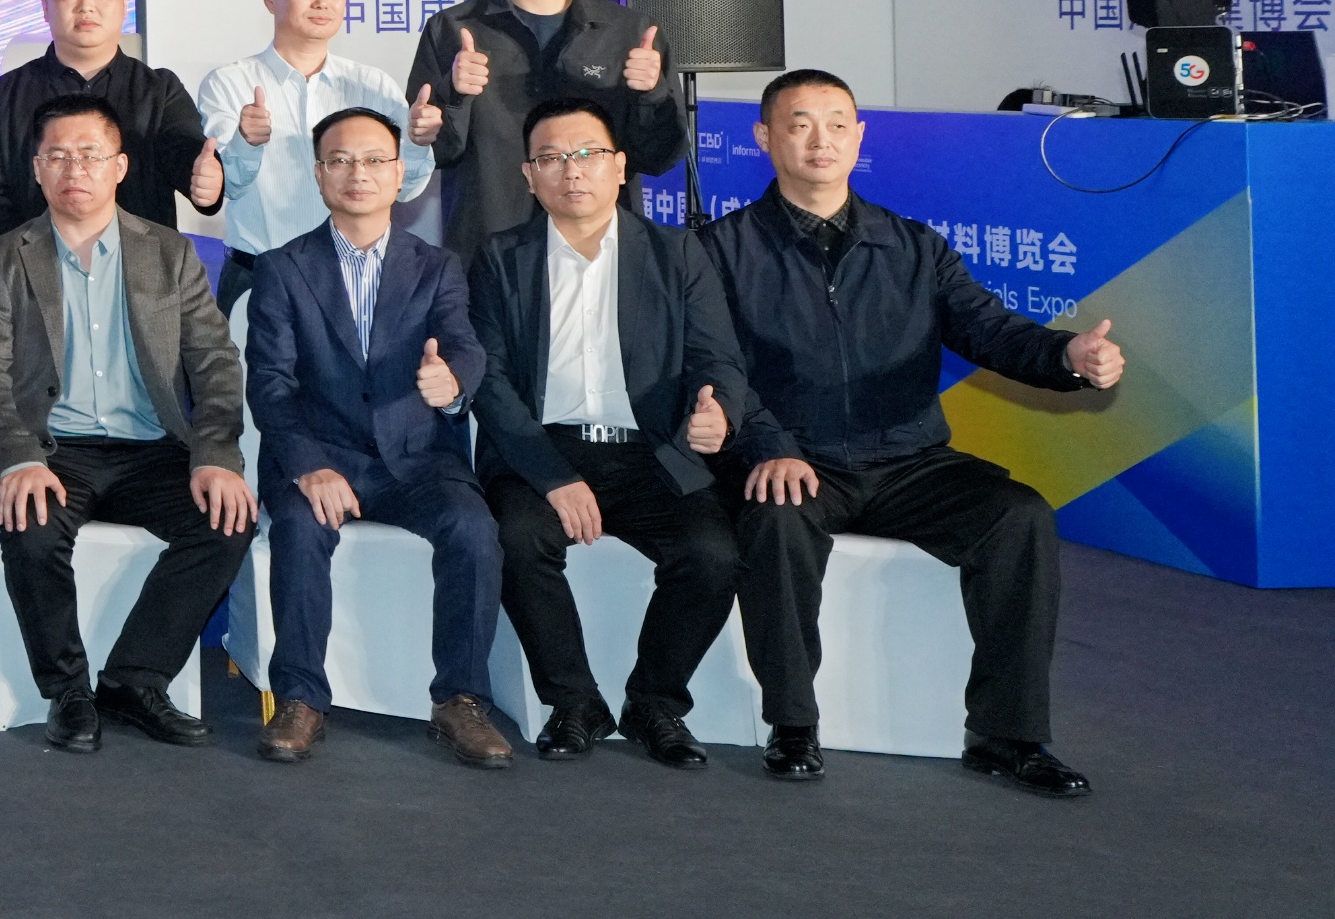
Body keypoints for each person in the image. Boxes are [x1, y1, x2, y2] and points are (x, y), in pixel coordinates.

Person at [706, 69, 1125, 793]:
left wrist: (1068, 357)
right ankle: (793, 724)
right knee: (776, 518)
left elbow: (992, 329)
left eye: (838, 124)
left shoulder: (913, 246)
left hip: (907, 461)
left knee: (1019, 517)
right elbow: (713, 365)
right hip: (795, 459)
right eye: (800, 124)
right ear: (764, 138)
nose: (820, 140)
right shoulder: (720, 249)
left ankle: (1007, 733)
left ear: (859, 138)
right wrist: (768, 446)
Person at [468, 93, 759, 769]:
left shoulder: (676, 253)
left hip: (652, 452)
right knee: (515, 539)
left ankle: (654, 701)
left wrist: (719, 411)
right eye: (551, 158)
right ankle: (575, 701)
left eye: (588, 154)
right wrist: (553, 477)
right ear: (528, 176)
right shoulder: (501, 259)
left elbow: (718, 358)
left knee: (713, 555)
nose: (572, 170)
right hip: (543, 451)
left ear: (620, 166)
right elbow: (490, 382)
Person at [0, 93, 253, 750]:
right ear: (37, 168)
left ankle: (134, 679)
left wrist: (216, 454)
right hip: (54, 449)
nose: (75, 169)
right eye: (58, 156)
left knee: (227, 520)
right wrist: (17, 456)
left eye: (91, 154)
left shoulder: (170, 253)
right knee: (31, 528)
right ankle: (68, 691)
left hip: (150, 448)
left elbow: (216, 363)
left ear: (120, 166)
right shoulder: (4, 258)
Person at [241, 110, 509, 768]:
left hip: (418, 458)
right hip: (321, 457)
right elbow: (271, 385)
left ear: (399, 173)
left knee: (474, 529)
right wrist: (307, 465)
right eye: (340, 160)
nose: (357, 173)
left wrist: (453, 381)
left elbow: (464, 344)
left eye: (373, 160)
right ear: (318, 174)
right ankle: (299, 698)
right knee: (299, 528)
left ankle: (461, 700)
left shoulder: (438, 265)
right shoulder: (281, 268)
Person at [407, 0, 690, 252]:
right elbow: (436, 153)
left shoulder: (629, 33)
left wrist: (652, 94)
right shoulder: (452, 31)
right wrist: (447, 104)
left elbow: (659, 157)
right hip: (491, 253)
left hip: (600, 250)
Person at [192, 0, 435, 317]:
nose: (322, 2)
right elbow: (229, 186)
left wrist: (418, 143)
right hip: (259, 276)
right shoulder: (230, 83)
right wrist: (246, 142)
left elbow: (405, 190)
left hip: (359, 278)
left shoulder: (374, 86)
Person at [0, 0, 222, 248]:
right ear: (45, 6)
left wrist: (206, 181)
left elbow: (186, 154)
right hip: (31, 268)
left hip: (142, 268)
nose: (86, 6)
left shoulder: (159, 90)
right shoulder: (5, 94)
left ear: (124, 2)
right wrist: (28, 258)